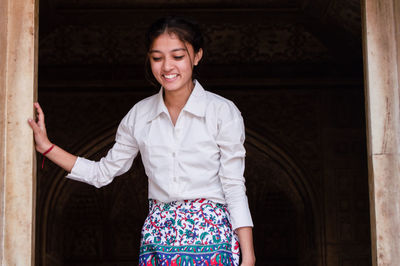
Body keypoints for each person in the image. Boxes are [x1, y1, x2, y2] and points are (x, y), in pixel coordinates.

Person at [29, 16, 255, 266]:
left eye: (178, 56)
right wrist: (46, 147)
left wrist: (249, 257)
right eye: (157, 58)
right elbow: (102, 172)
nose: (167, 66)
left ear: (197, 56)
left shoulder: (222, 112)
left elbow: (234, 186)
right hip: (158, 236)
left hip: (212, 237)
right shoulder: (140, 115)